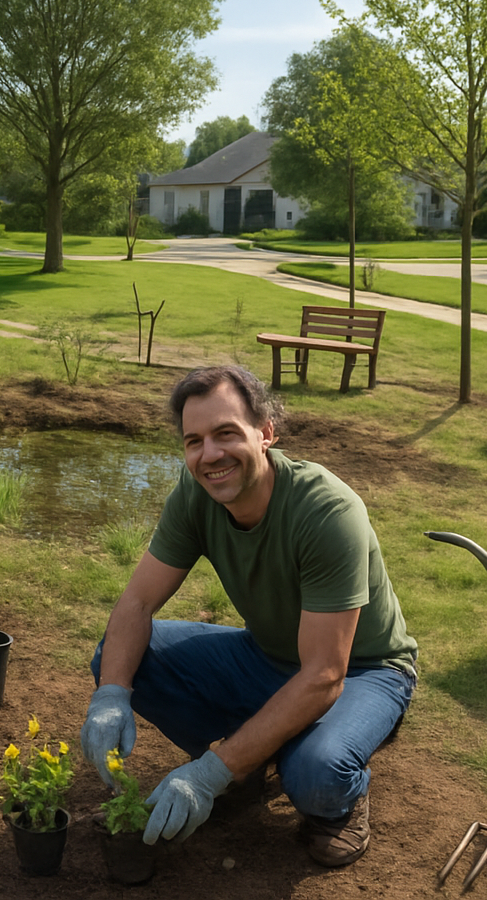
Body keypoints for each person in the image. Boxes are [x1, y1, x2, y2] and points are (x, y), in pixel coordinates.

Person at [80, 365, 417, 866]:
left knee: (317, 773)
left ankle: (338, 802)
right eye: (194, 441)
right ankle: (246, 767)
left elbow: (326, 674)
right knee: (122, 658)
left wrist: (209, 773)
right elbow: (137, 604)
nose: (210, 455)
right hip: (267, 654)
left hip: (364, 671)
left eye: (226, 433)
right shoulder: (196, 493)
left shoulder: (327, 512)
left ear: (266, 433)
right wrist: (111, 696)